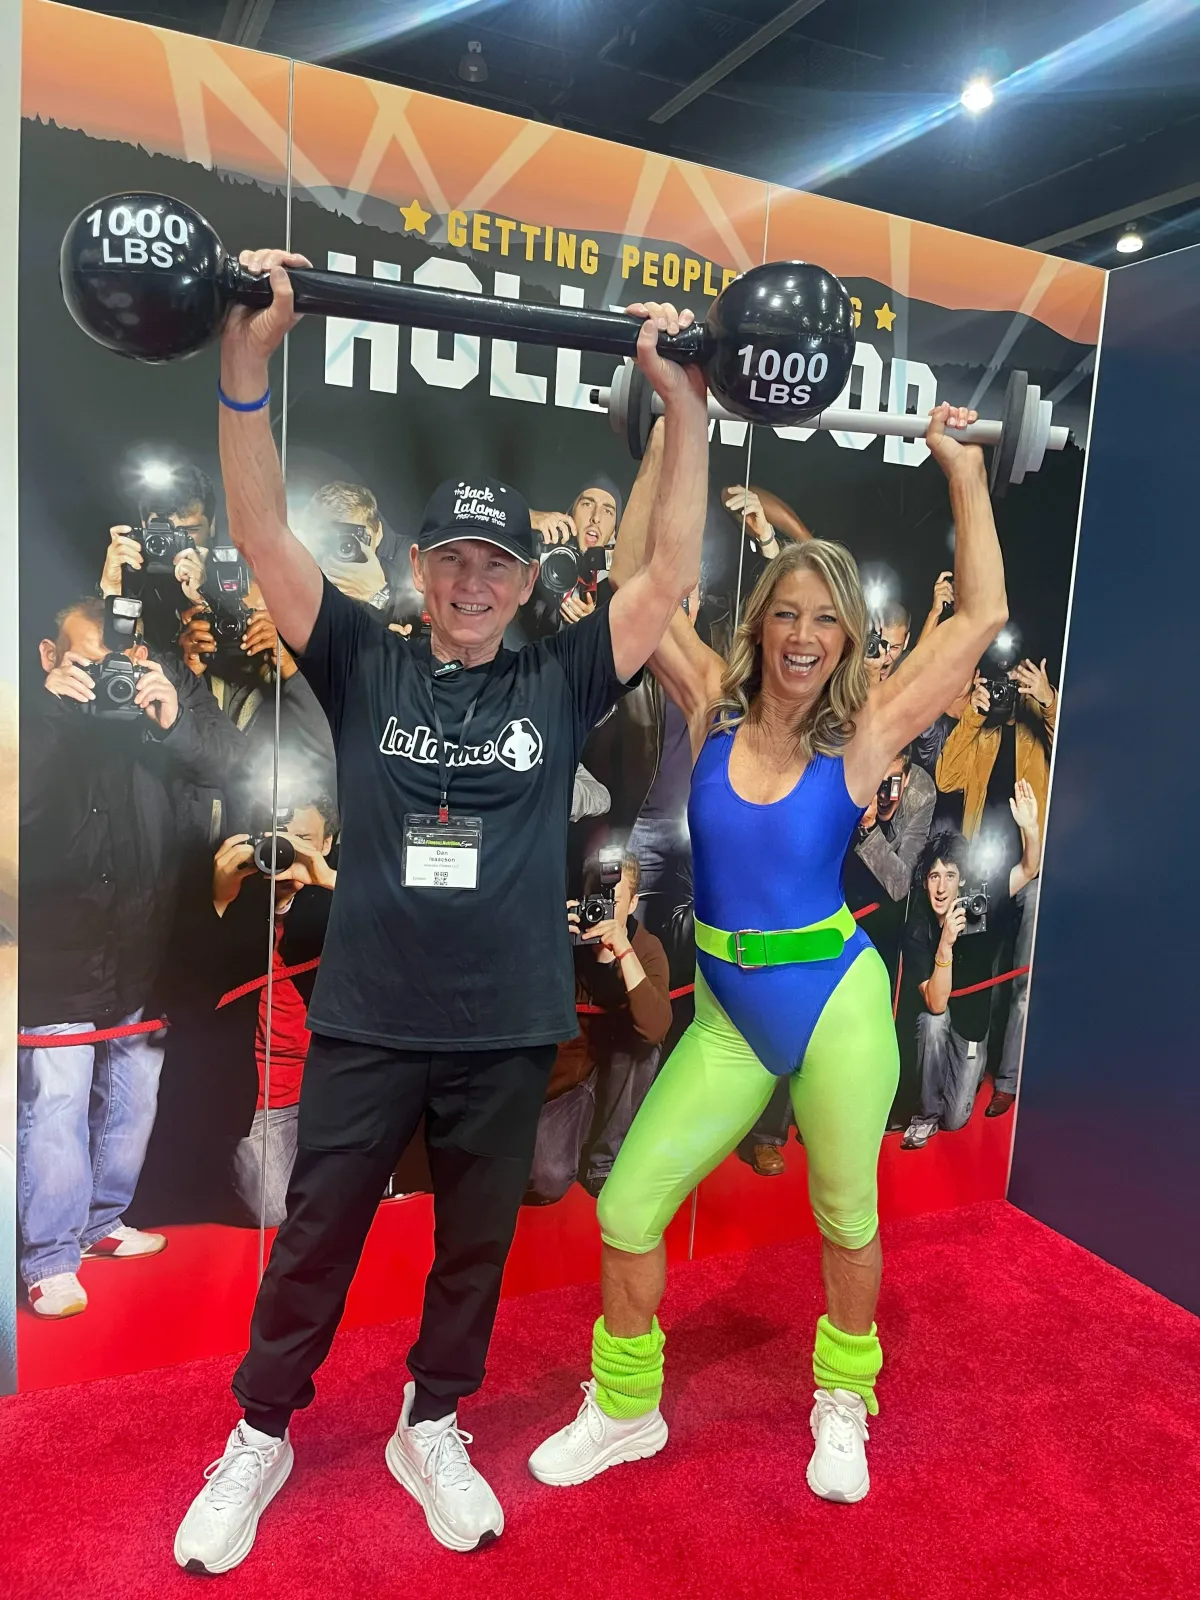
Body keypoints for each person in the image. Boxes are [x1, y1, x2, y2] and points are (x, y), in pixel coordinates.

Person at [172, 252, 710, 1574]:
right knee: (316, 1241)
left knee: (474, 1249)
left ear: (524, 583)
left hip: (507, 1026)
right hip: (369, 1018)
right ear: (420, 567)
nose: (474, 580)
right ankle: (261, 1431)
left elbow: (666, 575)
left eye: (497, 563)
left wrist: (683, 406)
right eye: (454, 557)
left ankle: (432, 1422)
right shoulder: (362, 656)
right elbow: (263, 536)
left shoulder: (560, 678)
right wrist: (245, 365)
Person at [529, 401, 1008, 1506]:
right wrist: (667, 425)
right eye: (786, 612)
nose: (802, 635)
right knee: (627, 1210)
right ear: (761, 621)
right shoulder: (710, 701)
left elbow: (981, 613)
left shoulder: (868, 730)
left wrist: (962, 469)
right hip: (726, 1015)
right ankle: (626, 1406)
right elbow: (632, 583)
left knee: (846, 1215)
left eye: (824, 620)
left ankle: (843, 1395)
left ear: (846, 637)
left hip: (834, 1001)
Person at [17, 597, 238, 1319]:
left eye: (117, 663)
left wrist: (171, 723)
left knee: (132, 1096)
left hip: (145, 948)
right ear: (49, 658)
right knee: (55, 1102)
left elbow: (232, 766)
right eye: (86, 666)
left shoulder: (155, 709)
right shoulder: (28, 719)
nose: (105, 679)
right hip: (59, 952)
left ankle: (101, 1223)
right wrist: (51, 713)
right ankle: (49, 1257)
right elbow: (18, 812)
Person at [936, 652, 1057, 1116]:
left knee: (1022, 981)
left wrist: (1048, 701)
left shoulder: (1038, 729)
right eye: (997, 682)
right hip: (985, 875)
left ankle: (1007, 1080)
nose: (1005, 690)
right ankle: (967, 1078)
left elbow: (1076, 745)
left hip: (1032, 868)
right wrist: (972, 713)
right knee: (980, 973)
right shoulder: (982, 731)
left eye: (1012, 682)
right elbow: (946, 776)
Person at [899, 783, 1042, 1149]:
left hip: (972, 1027)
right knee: (932, 1022)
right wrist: (945, 942)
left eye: (950, 875)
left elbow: (1028, 869)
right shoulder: (918, 925)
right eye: (934, 876)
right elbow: (936, 1004)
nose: (941, 887)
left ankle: (968, 1074)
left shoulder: (980, 902)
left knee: (956, 1120)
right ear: (925, 883)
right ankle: (924, 1115)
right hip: (941, 1019)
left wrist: (1030, 827)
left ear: (962, 879)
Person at [526, 854, 672, 1204]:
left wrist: (624, 953)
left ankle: (604, 1161)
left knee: (644, 1043)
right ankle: (577, 1137)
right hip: (565, 1084)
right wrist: (546, 939)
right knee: (546, 1179)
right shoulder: (563, 939)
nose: (603, 911)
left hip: (617, 1074)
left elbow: (655, 1029)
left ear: (633, 904)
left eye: (614, 901)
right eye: (597, 899)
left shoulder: (646, 948)